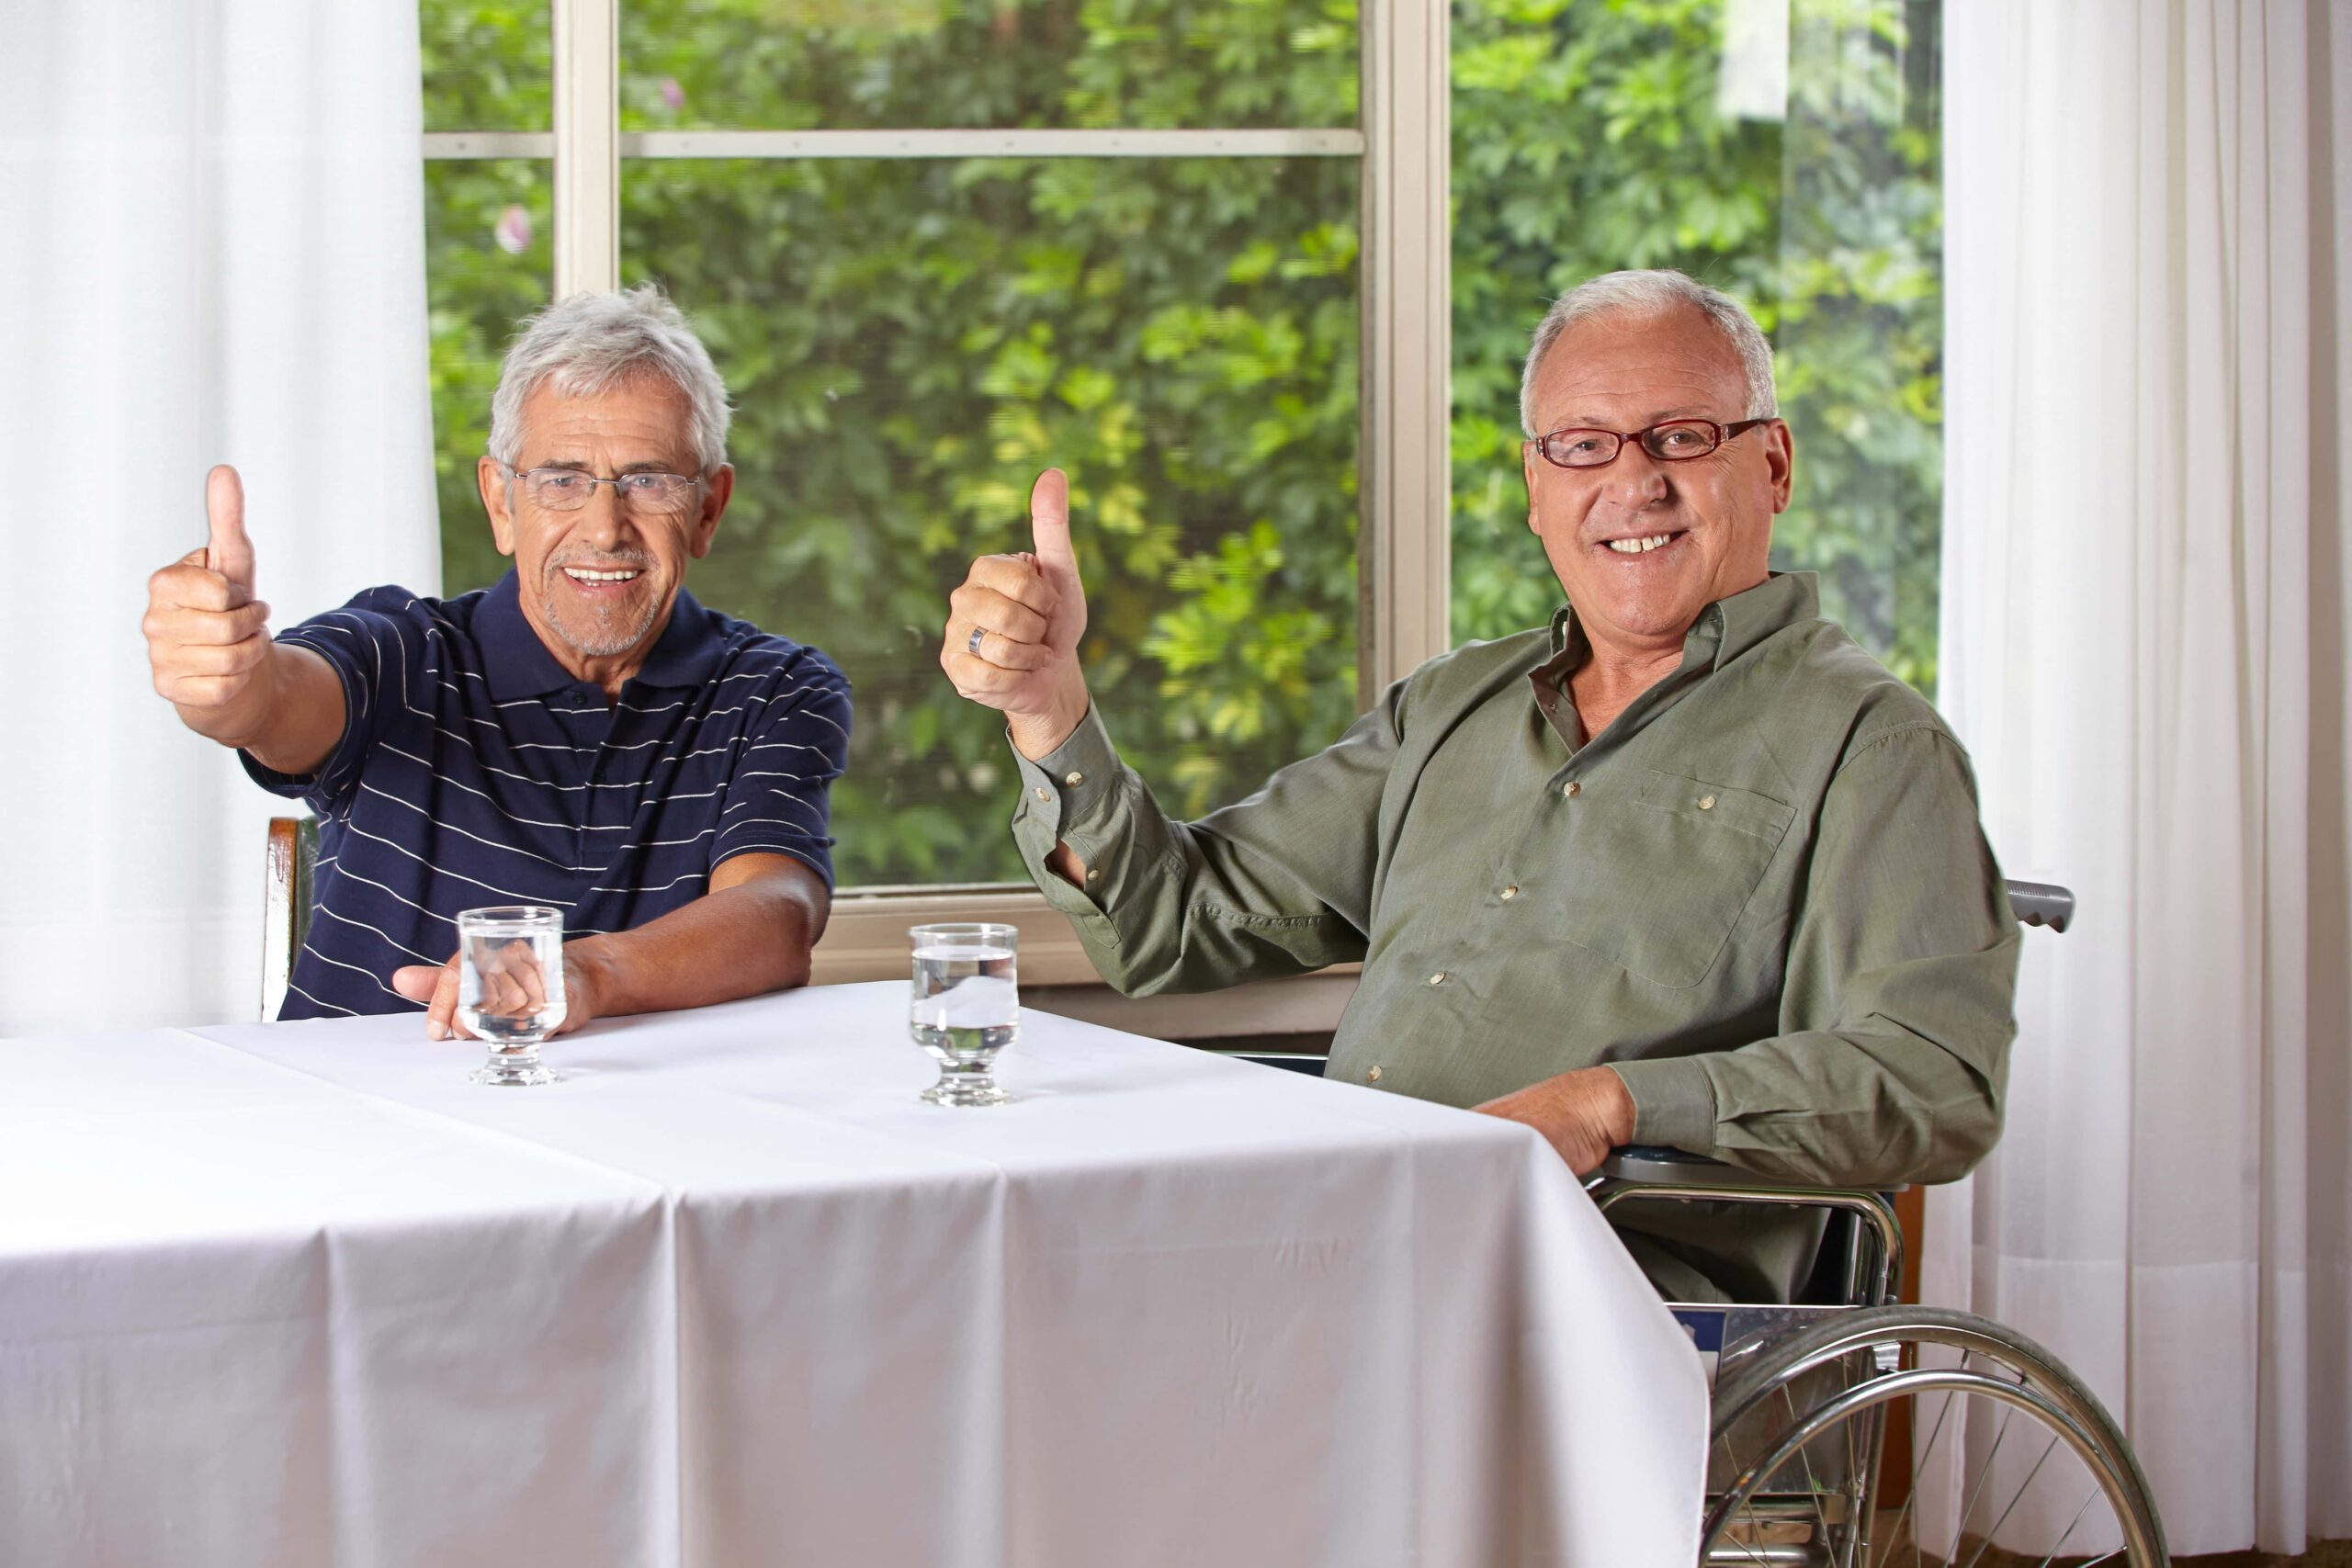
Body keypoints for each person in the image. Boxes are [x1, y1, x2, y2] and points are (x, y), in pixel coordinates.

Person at [939, 269, 2018, 1301]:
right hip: (1341, 1225)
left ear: (1773, 464)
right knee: (992, 1274)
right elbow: (1172, 928)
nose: (1632, 482)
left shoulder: (1872, 749)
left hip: (1593, 1293)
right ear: (1537, 488)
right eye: (1584, 446)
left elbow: (1933, 1082)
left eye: (1683, 438)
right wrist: (1047, 704)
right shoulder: (1452, 707)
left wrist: (1611, 1104)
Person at [143, 286, 850, 1035]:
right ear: (501, 501)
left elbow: (778, 914)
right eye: (561, 480)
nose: (605, 528)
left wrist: (581, 970)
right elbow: (276, 701)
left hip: (643, 1129)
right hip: (360, 1121)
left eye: (648, 481)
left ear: (708, 508)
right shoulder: (404, 650)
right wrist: (226, 681)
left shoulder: (776, 687)